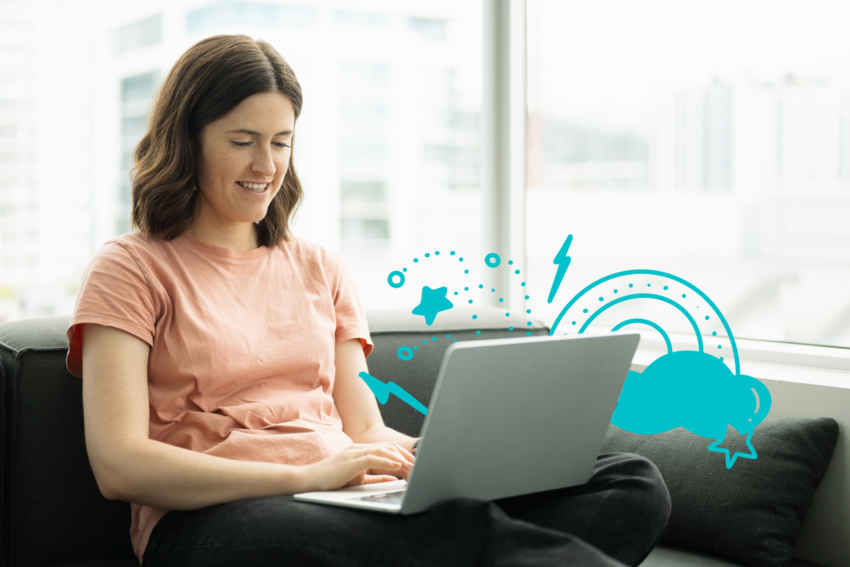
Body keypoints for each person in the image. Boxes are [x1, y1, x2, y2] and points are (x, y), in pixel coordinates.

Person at [65, 34, 671, 567]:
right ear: (187, 140)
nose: (265, 165)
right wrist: (305, 475)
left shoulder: (318, 266)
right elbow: (119, 465)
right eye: (242, 140)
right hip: (213, 519)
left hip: (344, 492)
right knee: (446, 533)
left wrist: (455, 453)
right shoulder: (130, 268)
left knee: (628, 481)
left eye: (281, 142)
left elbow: (361, 426)